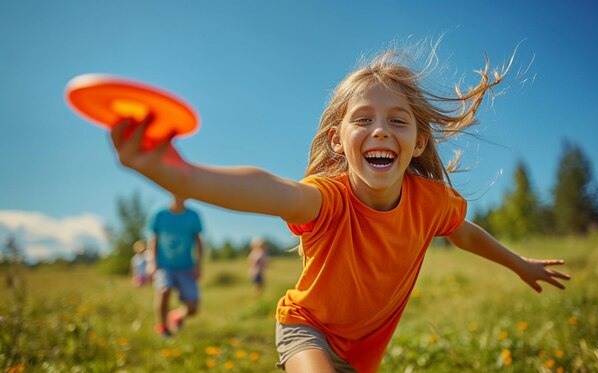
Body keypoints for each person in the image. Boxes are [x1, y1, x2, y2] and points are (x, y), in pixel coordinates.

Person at [110, 46, 570, 372]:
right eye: (363, 119)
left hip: (362, 356)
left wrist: (518, 263)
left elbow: (463, 231)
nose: (380, 131)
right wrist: (180, 175)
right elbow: (270, 189)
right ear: (338, 139)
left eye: (397, 121)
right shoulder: (327, 198)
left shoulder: (430, 203)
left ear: (418, 142)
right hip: (305, 329)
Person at [149, 193, 204, 337]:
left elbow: (199, 242)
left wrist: (199, 265)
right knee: (164, 291)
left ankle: (176, 317)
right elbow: (154, 240)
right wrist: (152, 263)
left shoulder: (193, 216)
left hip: (186, 266)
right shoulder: (160, 214)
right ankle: (164, 328)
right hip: (164, 265)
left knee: (192, 308)